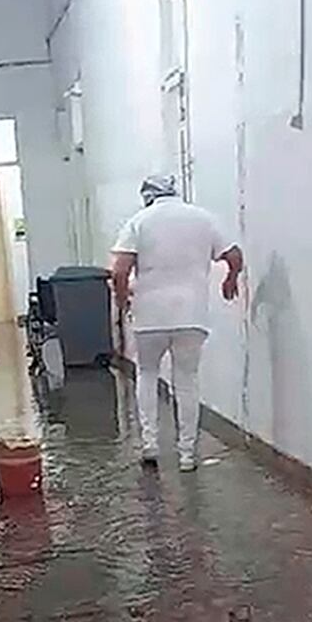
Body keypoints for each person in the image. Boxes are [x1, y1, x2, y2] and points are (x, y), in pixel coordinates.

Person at [111, 175, 243, 471]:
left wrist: (122, 300)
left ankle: (150, 445)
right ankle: (186, 455)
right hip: (192, 315)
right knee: (186, 381)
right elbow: (234, 255)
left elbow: (119, 271)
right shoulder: (203, 219)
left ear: (147, 196)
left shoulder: (139, 221)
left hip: (150, 315)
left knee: (146, 373)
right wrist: (230, 278)